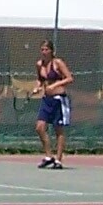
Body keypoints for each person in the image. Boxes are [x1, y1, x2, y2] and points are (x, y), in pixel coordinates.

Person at [32, 38, 74, 169]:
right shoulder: (39, 64)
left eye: (46, 49)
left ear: (51, 51)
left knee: (58, 129)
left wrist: (55, 84)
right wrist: (38, 87)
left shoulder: (58, 63)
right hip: (46, 100)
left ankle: (59, 159)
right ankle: (48, 156)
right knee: (39, 127)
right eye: (42, 50)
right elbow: (40, 79)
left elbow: (69, 78)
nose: (44, 52)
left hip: (59, 99)